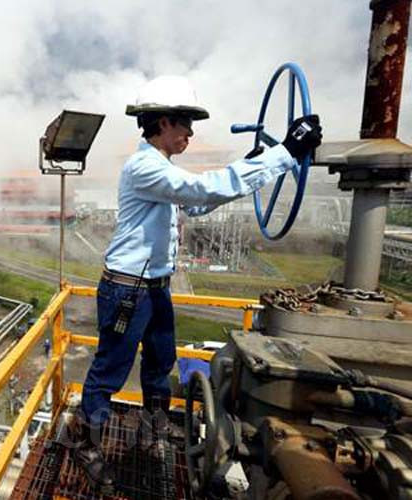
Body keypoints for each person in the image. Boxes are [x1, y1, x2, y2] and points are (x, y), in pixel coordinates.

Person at [72, 76, 322, 490]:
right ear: (165, 122)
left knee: (159, 361)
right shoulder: (144, 167)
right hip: (128, 289)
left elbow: (198, 202)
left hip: (152, 287)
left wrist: (255, 164)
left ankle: (153, 429)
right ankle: (87, 441)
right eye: (186, 123)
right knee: (110, 369)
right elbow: (204, 187)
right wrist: (284, 154)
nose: (191, 132)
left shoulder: (161, 169)